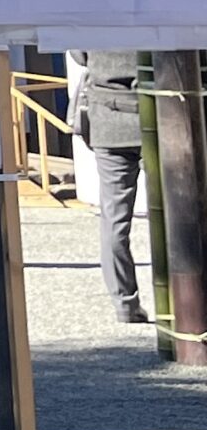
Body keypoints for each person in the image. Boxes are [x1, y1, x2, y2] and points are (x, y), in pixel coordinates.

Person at [69, 50, 149, 324]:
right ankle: (185, 297)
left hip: (107, 118)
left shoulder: (94, 12)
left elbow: (79, 55)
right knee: (179, 214)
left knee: (114, 218)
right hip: (157, 114)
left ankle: (125, 303)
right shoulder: (159, 9)